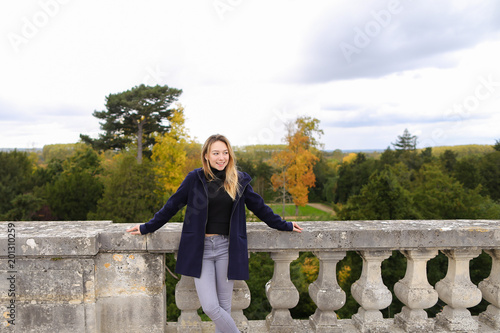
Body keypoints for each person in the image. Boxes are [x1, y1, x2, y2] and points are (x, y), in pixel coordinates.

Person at [127, 134, 302, 333]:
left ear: (230, 155)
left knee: (224, 307)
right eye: (216, 153)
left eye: (225, 153)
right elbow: (172, 205)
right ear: (207, 156)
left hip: (227, 249)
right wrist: (147, 227)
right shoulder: (195, 179)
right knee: (211, 307)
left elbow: (260, 208)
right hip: (200, 250)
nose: (221, 157)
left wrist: (284, 225)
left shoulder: (238, 179)